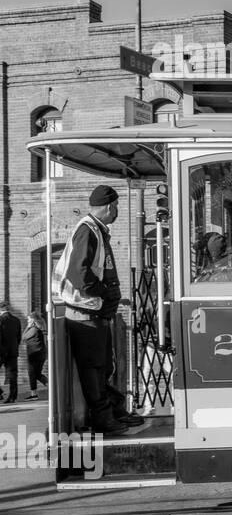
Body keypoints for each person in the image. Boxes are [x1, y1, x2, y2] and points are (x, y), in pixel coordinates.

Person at [52, 185, 142, 435]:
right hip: (85, 314)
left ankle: (114, 409)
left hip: (95, 313)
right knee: (93, 368)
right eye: (116, 207)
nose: (117, 211)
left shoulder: (97, 230)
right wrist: (104, 292)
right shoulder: (87, 231)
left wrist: (113, 298)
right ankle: (103, 418)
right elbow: (78, 274)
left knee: (104, 366)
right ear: (109, 206)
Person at [23, 313, 48, 401]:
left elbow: (24, 337)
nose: (27, 321)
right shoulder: (39, 328)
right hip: (40, 354)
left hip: (34, 355)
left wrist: (28, 327)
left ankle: (34, 395)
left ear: (33, 320)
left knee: (32, 374)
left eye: (29, 319)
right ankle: (50, 386)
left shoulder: (34, 329)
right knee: (37, 374)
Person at [0, 303, 19, 404]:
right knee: (13, 375)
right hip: (13, 352)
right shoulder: (16, 320)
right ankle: (12, 397)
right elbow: (18, 337)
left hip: (1, 352)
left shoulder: (1, 319)